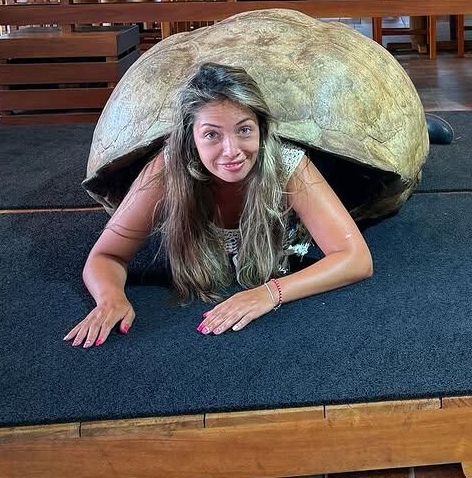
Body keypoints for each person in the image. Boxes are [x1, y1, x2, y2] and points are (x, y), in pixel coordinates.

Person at [67, 63, 372, 347]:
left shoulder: (288, 163)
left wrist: (270, 293)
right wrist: (110, 297)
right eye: (212, 134)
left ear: (261, 130)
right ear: (191, 139)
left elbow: (356, 258)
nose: (231, 151)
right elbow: (106, 255)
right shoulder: (167, 170)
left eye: (244, 130)